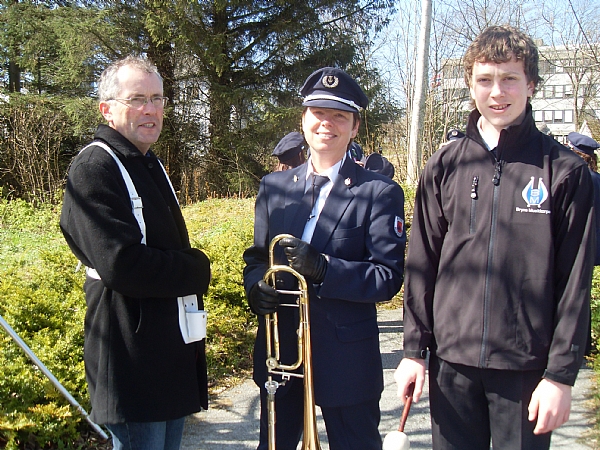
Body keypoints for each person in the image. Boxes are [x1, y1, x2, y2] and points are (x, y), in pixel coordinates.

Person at [393, 25, 594, 450]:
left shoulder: (564, 172)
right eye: (485, 80)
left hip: (525, 369)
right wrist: (414, 351)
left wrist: (560, 376)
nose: (497, 92)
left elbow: (574, 282)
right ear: (471, 85)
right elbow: (421, 264)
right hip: (452, 365)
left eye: (509, 79)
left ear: (531, 85)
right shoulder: (444, 165)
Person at [243, 67, 406, 450]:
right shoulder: (274, 186)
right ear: (303, 120)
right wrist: (255, 286)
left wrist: (324, 269)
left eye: (339, 116)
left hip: (346, 361)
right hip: (281, 352)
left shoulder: (378, 193)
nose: (326, 124)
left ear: (354, 127)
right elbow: (256, 257)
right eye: (317, 113)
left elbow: (387, 277)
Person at [60, 56, 212, 450]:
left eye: (158, 98)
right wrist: (197, 269)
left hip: (167, 352)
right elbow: (122, 265)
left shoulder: (147, 161)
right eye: (137, 99)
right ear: (107, 109)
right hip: (131, 355)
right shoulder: (96, 166)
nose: (151, 109)